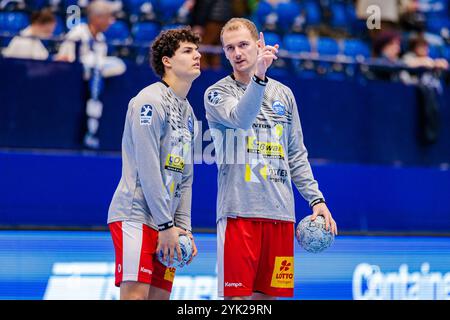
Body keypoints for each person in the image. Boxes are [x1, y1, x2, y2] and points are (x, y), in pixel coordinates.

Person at [203, 18, 338, 300]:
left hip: (280, 215)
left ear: (259, 43)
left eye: (243, 45)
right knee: (237, 302)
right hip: (239, 213)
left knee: (268, 301)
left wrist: (317, 200)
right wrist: (259, 78)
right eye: (229, 48)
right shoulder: (216, 93)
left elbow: (296, 154)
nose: (237, 53)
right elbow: (240, 119)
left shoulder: (284, 95)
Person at [107, 27, 201, 300]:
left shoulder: (188, 112)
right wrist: (165, 225)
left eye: (196, 50)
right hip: (136, 215)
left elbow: (185, 176)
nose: (197, 55)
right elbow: (148, 169)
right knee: (136, 297)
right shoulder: (149, 101)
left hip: (166, 225)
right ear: (167, 61)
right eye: (187, 50)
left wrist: (184, 228)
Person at [56, 0, 125, 78]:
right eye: (108, 17)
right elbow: (65, 61)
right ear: (96, 18)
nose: (110, 22)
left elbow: (100, 64)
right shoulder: (77, 33)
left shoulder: (101, 38)